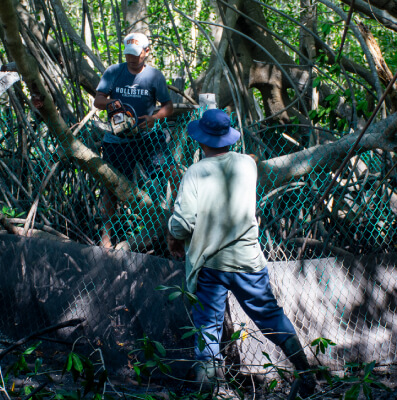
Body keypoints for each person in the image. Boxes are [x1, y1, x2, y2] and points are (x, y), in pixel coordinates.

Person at [167, 109, 316, 396]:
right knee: (270, 316)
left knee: (207, 329)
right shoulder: (247, 165)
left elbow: (183, 223)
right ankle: (307, 374)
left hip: (210, 265)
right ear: (229, 138)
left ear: (201, 140)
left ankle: (205, 392)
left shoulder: (195, 172)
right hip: (248, 261)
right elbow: (251, 159)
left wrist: (173, 237)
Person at [93, 32, 176, 249]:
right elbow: (98, 100)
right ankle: (107, 237)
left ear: (147, 52)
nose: (131, 59)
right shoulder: (113, 72)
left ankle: (177, 224)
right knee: (110, 187)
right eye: (128, 54)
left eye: (136, 55)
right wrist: (112, 103)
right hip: (117, 139)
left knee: (173, 174)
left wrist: (154, 118)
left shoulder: (154, 76)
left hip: (147, 136)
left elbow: (168, 106)